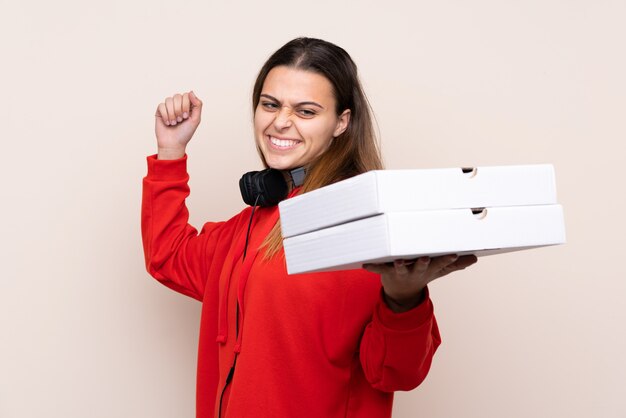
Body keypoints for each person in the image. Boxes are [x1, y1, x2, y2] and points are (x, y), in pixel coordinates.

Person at [142, 37, 477, 418]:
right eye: (270, 105)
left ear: (341, 123)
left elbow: (394, 372)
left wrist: (403, 300)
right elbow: (167, 256)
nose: (280, 121)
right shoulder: (249, 225)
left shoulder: (366, 224)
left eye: (306, 111)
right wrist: (171, 151)